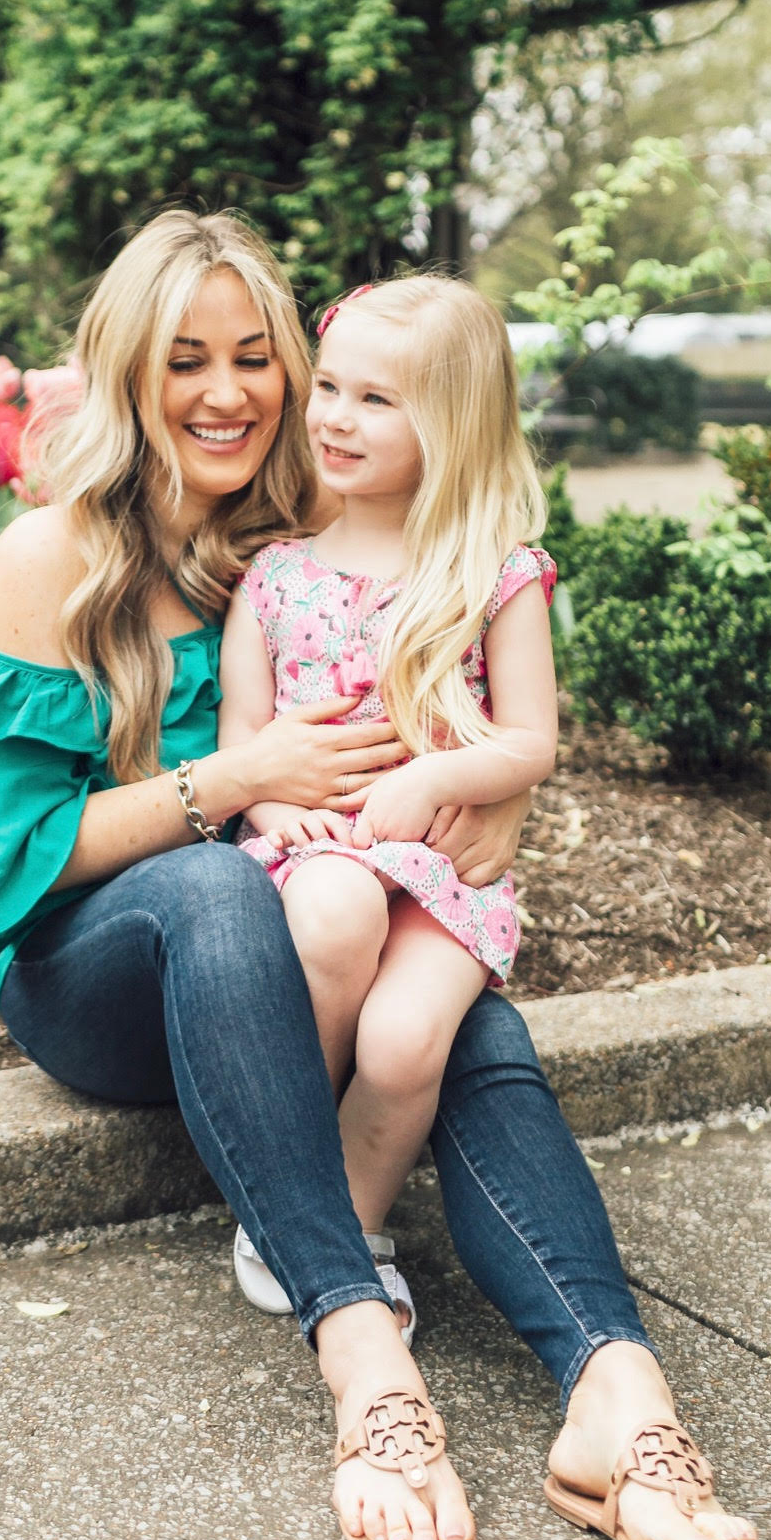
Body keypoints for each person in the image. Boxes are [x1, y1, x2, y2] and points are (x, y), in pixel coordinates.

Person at [0, 208, 763, 1540]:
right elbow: (15, 868)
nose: (228, 392)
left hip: (313, 935)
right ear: (126, 370)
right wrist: (238, 773)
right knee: (213, 893)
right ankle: (360, 1354)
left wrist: (486, 793)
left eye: (258, 357)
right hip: (98, 968)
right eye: (184, 358)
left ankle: (617, 1394)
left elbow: (457, 696)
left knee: (466, 1027)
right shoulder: (51, 558)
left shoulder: (303, 532)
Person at [217, 276, 557, 1351]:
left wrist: (430, 782)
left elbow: (530, 739)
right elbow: (242, 743)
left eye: (376, 399)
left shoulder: (492, 578)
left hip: (441, 869)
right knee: (328, 914)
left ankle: (346, 1224)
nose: (332, 416)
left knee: (408, 1038)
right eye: (328, 387)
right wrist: (278, 805)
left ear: (446, 423)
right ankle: (284, 1174)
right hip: (315, 844)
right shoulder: (273, 579)